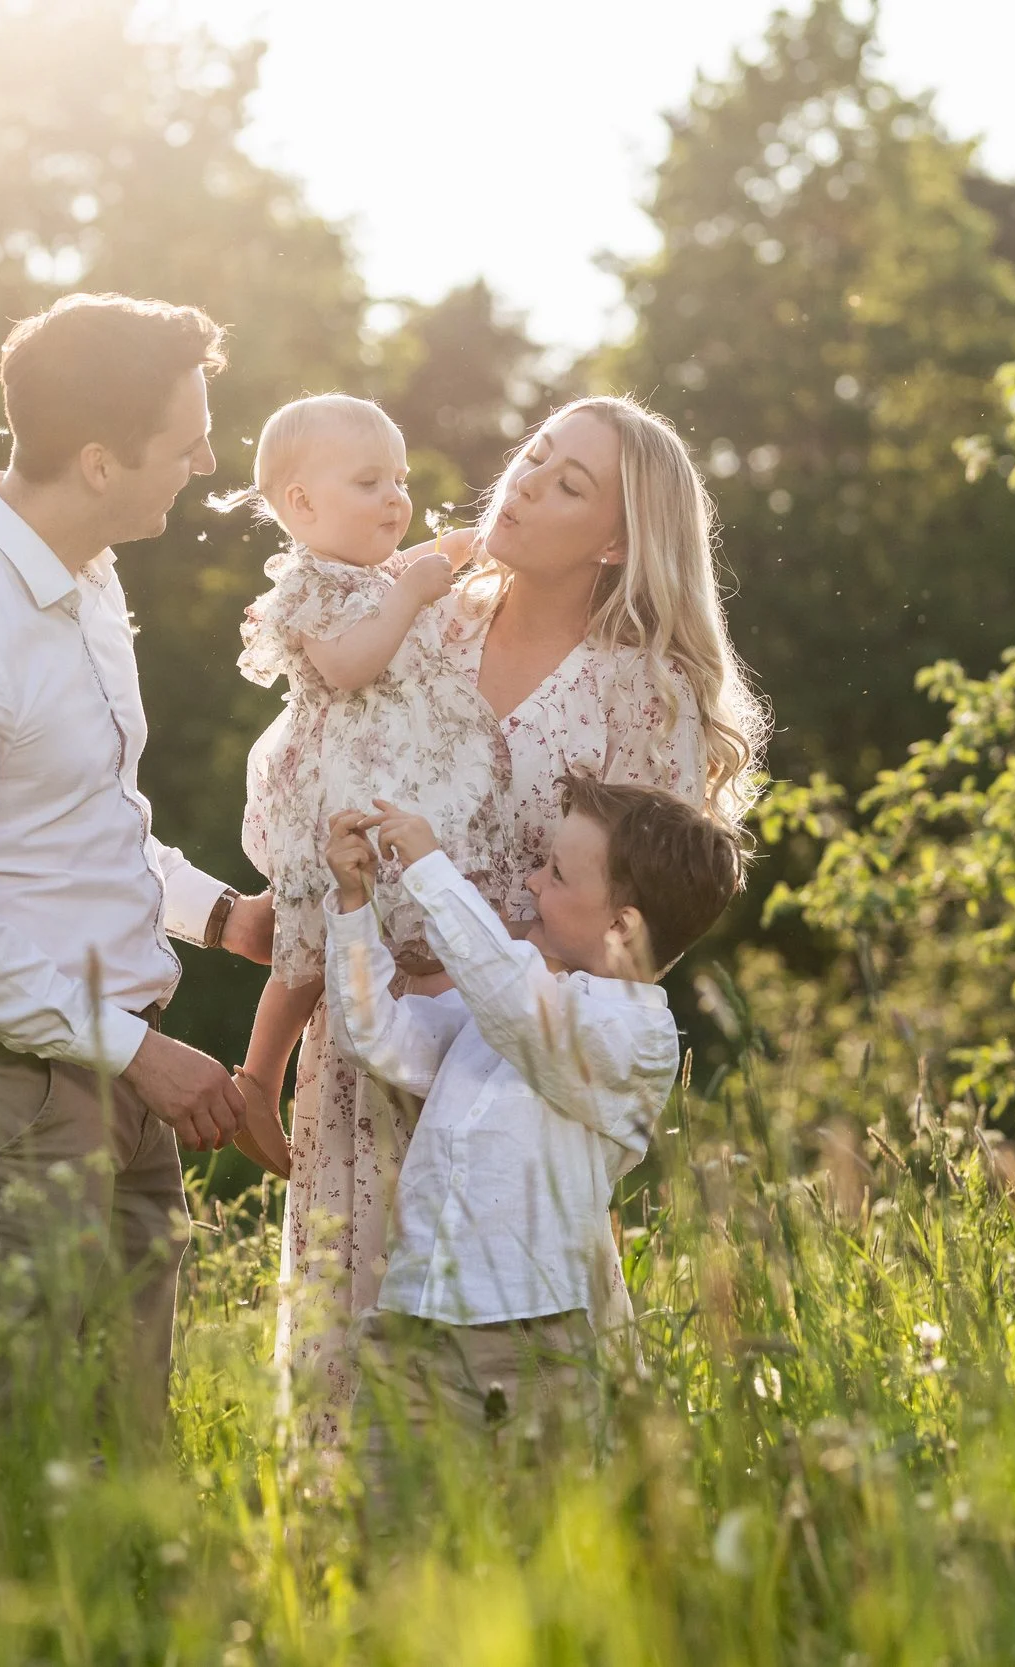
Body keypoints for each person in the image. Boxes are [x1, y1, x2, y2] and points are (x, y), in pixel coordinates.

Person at [276, 395, 768, 1449]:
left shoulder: (648, 693)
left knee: (505, 1412)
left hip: (518, 1068)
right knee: (354, 1399)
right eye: (534, 457)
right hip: (375, 1039)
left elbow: (636, 915)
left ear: (618, 540)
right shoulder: (420, 614)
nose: (527, 482)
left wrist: (481, 970)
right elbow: (310, 780)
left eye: (569, 482)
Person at [0, 293, 277, 1472]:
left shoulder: (86, 575)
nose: (205, 460)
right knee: (2, 1466)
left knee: (121, 1471)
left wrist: (223, 917)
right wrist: (141, 1053)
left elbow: (81, 825)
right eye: (187, 438)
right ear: (98, 460)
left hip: (109, 1073)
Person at [319, 780, 744, 1476]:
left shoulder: (634, 1034)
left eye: (556, 873)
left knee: (522, 1555)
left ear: (622, 927)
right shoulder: (511, 1008)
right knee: (388, 1550)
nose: (530, 881)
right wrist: (354, 905)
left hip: (527, 1343)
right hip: (413, 1324)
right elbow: (381, 1037)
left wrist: (429, 869)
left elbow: (517, 1004)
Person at [220, 395, 502, 1179]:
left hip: (387, 775)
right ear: (301, 504)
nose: (396, 498)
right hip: (330, 788)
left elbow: (419, 565)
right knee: (303, 941)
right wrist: (410, 592)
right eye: (371, 481)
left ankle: (409, 1060)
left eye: (401, 480)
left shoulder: (374, 569)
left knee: (378, 931)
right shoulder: (306, 587)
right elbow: (349, 666)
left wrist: (466, 547)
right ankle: (258, 1078)